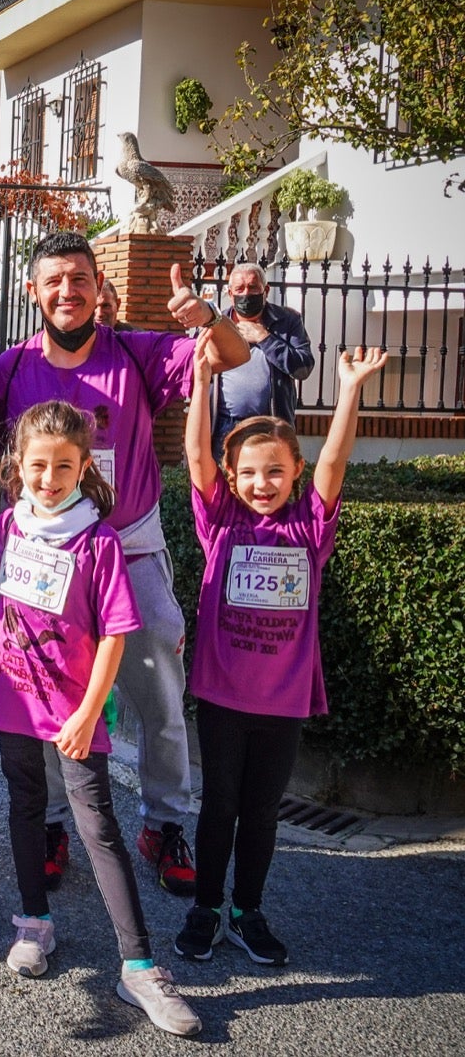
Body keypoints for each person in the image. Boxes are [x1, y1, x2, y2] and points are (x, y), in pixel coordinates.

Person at [0, 233, 251, 898]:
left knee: (159, 687)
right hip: (42, 560)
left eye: (78, 279)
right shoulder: (10, 369)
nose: (66, 292)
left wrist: (208, 318)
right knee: (41, 690)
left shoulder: (137, 350)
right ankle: (49, 823)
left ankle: (163, 821)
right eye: (53, 281)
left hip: (127, 547)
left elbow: (234, 359)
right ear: (32, 291)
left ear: (100, 286)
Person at [0, 400, 200, 1037]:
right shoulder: (9, 526)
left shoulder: (98, 539)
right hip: (13, 701)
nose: (49, 478)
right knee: (23, 808)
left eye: (64, 466)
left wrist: (86, 710)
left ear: (83, 468)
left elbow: (115, 635)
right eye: (38, 465)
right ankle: (33, 923)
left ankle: (138, 967)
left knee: (98, 827)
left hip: (73, 711)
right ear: (18, 467)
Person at [176, 344, 386, 967]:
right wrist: (203, 383)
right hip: (221, 694)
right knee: (218, 804)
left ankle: (247, 911)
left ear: (295, 472)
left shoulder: (309, 528)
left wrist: (349, 388)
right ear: (231, 476)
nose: (260, 484)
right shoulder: (219, 523)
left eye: (274, 471)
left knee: (261, 812)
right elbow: (194, 454)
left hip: (284, 699)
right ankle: (206, 908)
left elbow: (338, 458)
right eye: (247, 473)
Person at [212, 262, 314, 460]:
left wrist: (265, 338)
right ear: (230, 293)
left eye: (253, 287)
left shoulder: (288, 320)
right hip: (225, 424)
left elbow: (303, 367)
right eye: (240, 289)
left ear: (265, 290)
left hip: (271, 424)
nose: (246, 294)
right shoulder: (217, 323)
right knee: (225, 485)